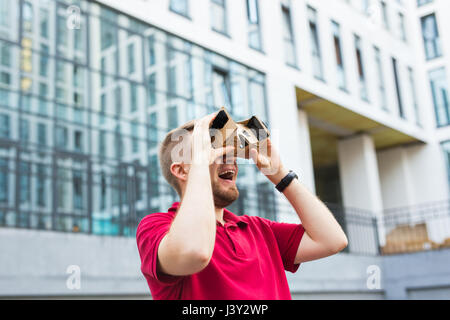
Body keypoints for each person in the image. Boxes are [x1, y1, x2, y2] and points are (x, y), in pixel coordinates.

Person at [136, 112, 348, 300]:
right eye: (214, 151)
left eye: (230, 153)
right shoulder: (156, 228)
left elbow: (332, 240)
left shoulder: (259, 230)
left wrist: (280, 174)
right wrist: (199, 161)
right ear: (182, 171)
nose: (229, 160)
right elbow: (194, 252)